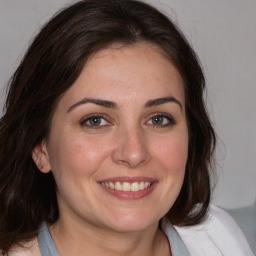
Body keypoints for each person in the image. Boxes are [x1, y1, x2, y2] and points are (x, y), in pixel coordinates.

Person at [0, 0, 253, 255]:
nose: (134, 154)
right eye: (96, 120)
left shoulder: (218, 237)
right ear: (40, 147)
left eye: (158, 119)